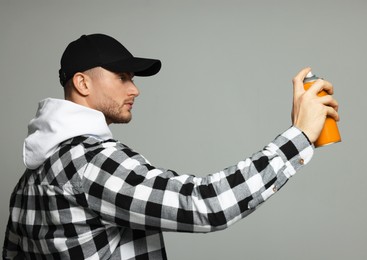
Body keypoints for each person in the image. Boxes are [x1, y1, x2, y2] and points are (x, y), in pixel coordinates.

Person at [3, 33, 339, 259]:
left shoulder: (30, 178)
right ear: (82, 82)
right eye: (122, 77)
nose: (134, 89)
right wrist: (299, 136)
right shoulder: (90, 162)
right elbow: (206, 205)